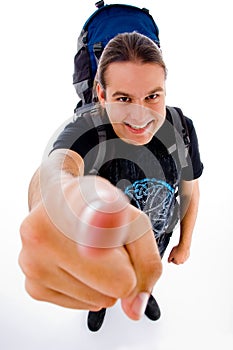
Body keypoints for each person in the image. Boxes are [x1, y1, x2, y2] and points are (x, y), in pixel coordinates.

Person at [19, 32, 203, 332]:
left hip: (156, 243)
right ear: (102, 95)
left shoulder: (181, 127)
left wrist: (185, 243)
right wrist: (53, 196)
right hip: (101, 252)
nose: (140, 113)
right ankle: (100, 306)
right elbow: (56, 168)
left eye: (152, 96)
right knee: (102, 287)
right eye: (124, 98)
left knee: (147, 275)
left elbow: (190, 187)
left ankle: (145, 295)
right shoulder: (88, 131)